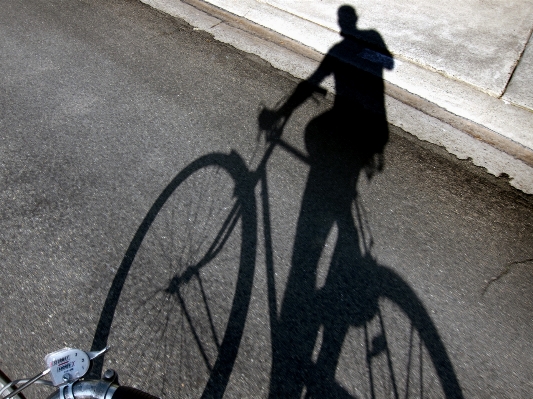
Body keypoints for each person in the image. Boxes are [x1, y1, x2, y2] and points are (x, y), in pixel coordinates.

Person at [261, 5, 394, 398]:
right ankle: (346, 221)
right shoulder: (369, 41)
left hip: (349, 134)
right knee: (335, 165)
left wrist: (279, 114)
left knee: (307, 252)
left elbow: (310, 83)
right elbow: (388, 63)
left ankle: (335, 246)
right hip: (374, 134)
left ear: (342, 24)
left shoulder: (342, 48)